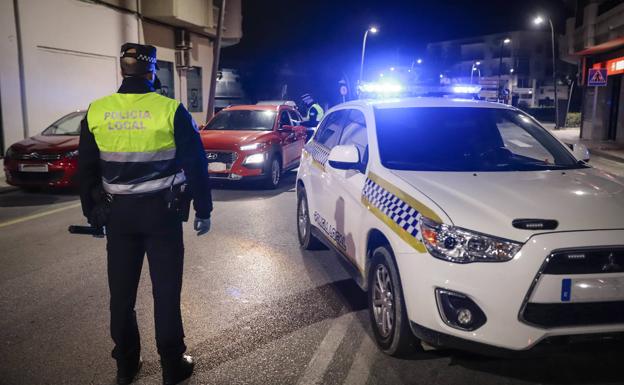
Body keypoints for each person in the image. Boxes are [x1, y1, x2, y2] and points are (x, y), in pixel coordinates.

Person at [78, 43, 212, 385]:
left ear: (122, 70)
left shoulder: (97, 110)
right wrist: (204, 208)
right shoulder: (170, 109)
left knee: (120, 296)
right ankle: (171, 366)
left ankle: (126, 365)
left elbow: (87, 170)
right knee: (165, 293)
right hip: (162, 216)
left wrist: (92, 211)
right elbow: (195, 164)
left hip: (118, 217)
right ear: (152, 71)